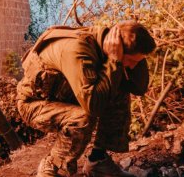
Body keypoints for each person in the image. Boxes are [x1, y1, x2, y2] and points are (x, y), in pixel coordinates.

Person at [16, 21, 156, 176]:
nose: (132, 67)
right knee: (83, 117)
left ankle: (98, 161)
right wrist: (114, 61)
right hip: (35, 105)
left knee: (118, 87)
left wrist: (133, 59)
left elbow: (138, 88)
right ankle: (53, 166)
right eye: (132, 61)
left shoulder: (105, 46)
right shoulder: (77, 50)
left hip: (67, 96)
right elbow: (93, 106)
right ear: (118, 50)